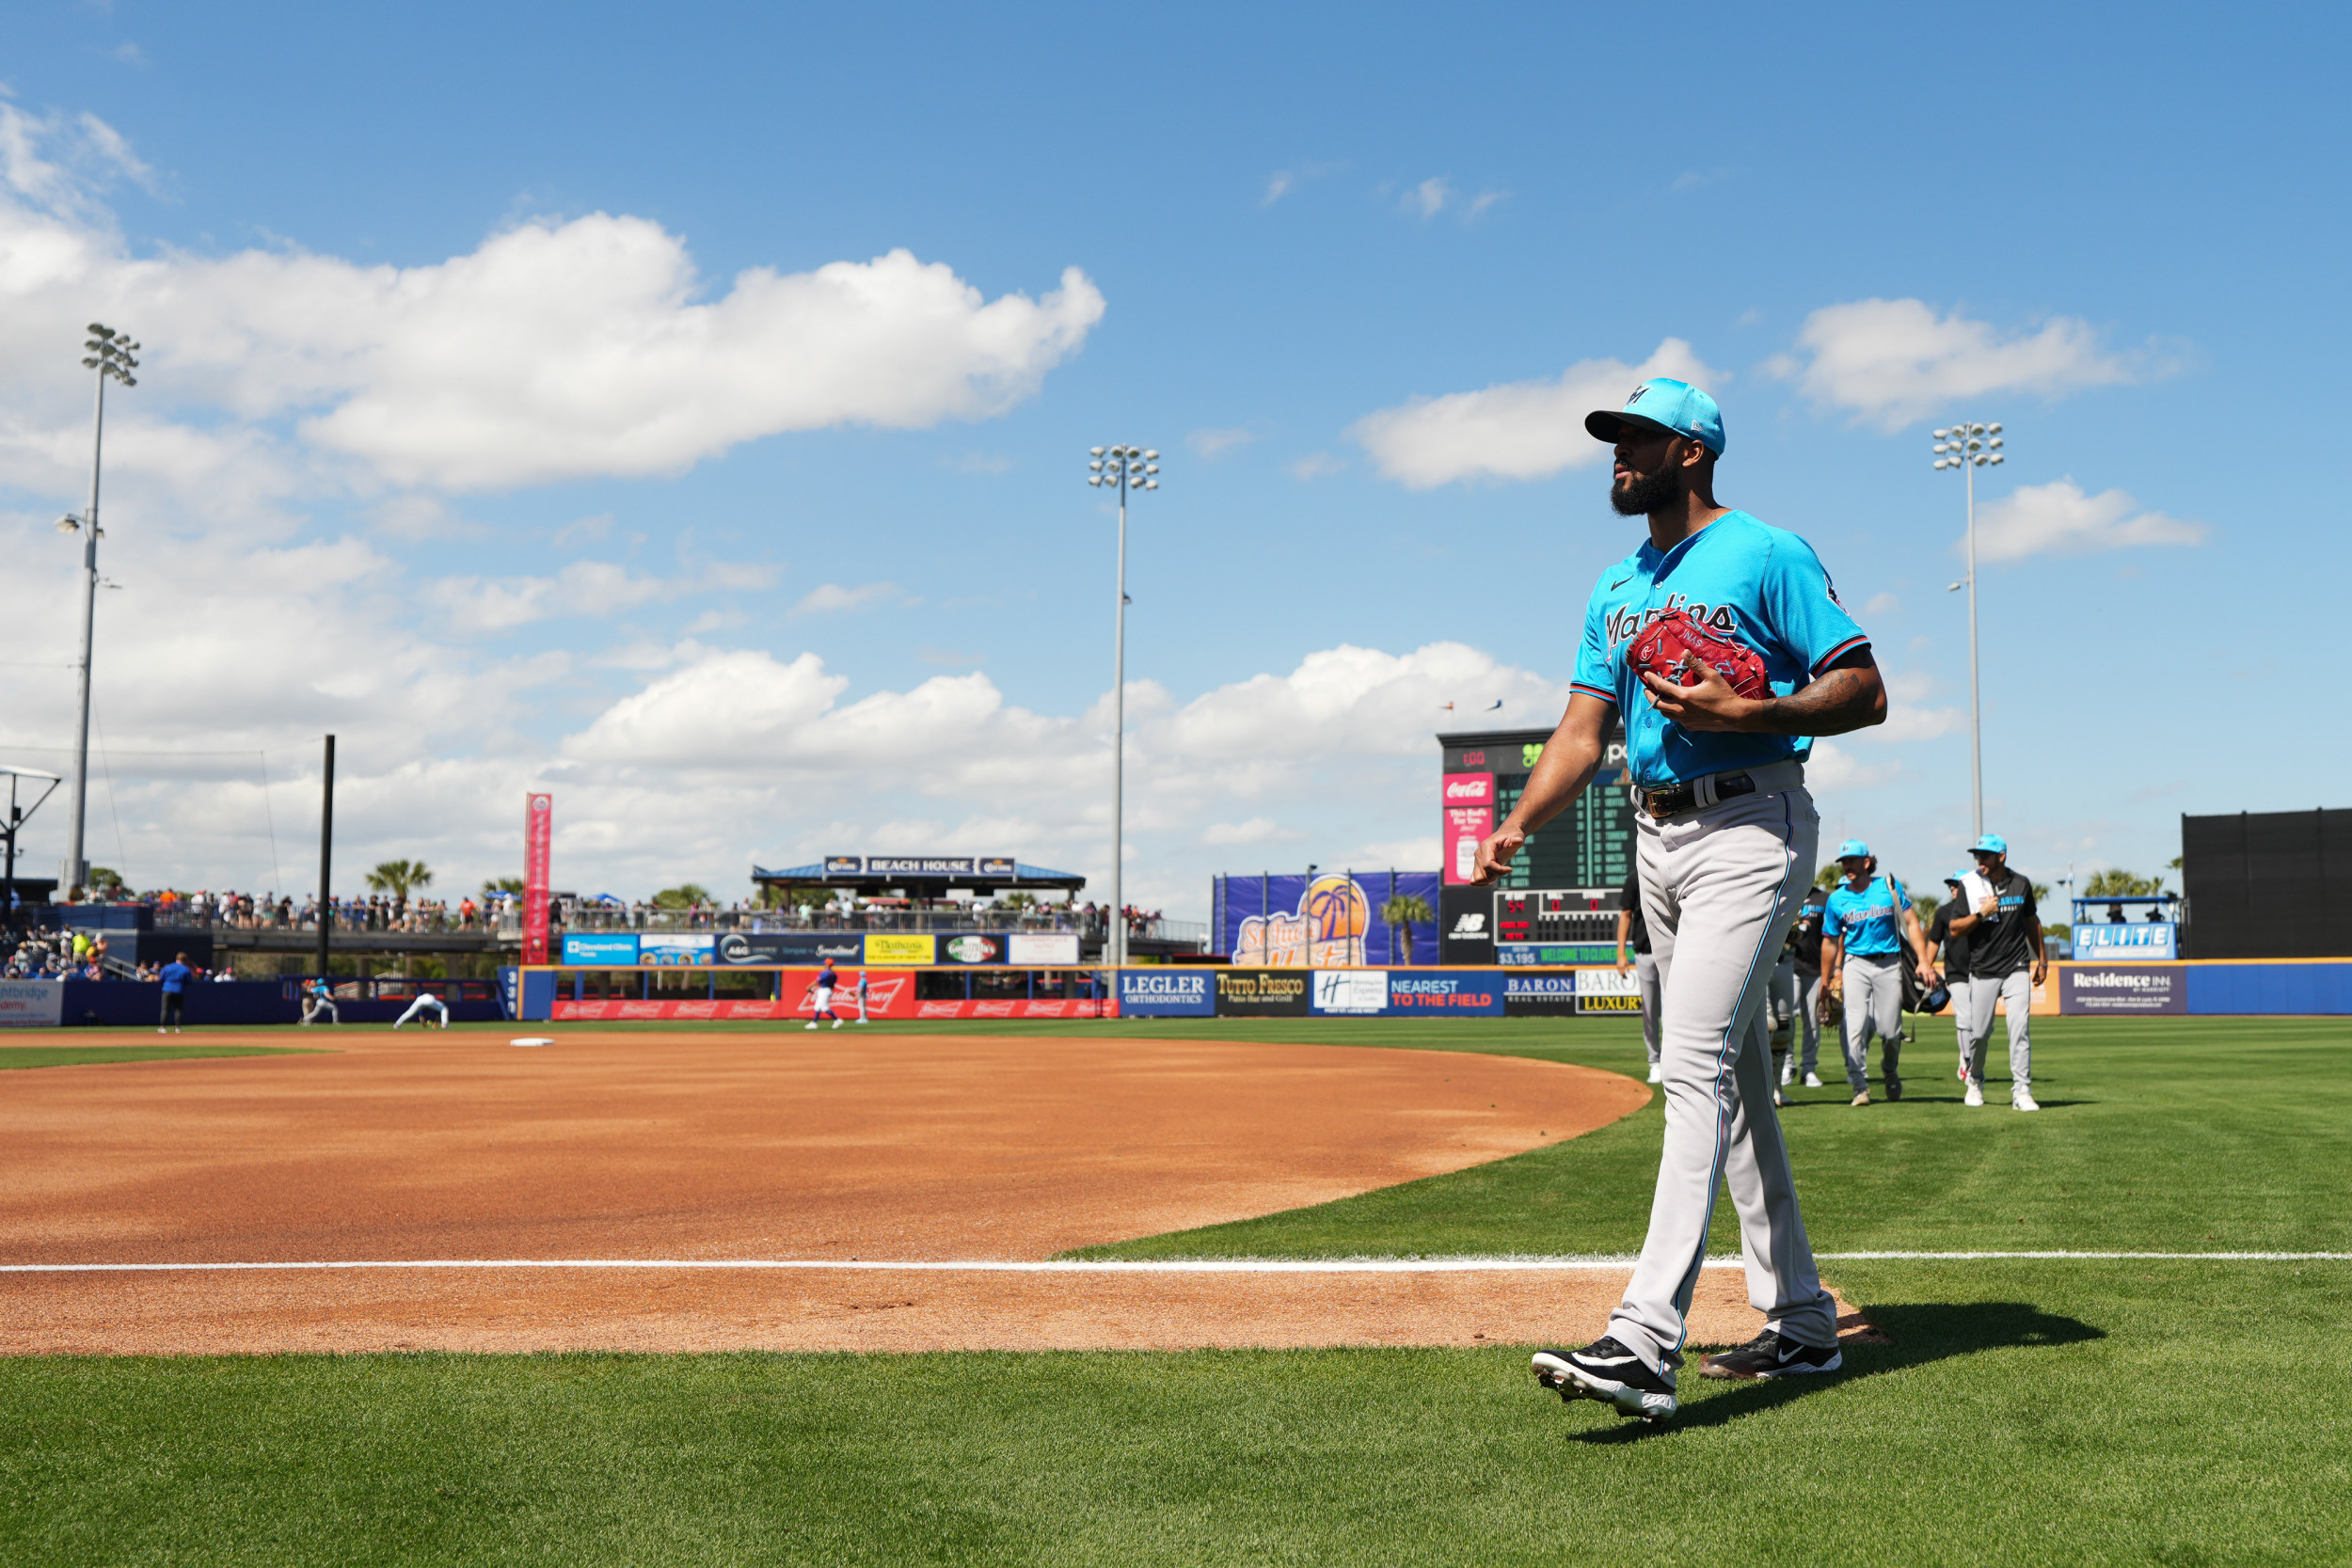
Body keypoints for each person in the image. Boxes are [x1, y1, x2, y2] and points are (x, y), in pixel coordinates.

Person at [1477, 378, 1887, 1424]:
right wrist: (1519, 822)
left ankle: (1641, 1338)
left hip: (1751, 824)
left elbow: (1862, 687)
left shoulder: (1764, 551)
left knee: (1689, 1065)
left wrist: (1753, 707)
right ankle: (1800, 1320)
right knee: (1738, 1082)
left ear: (1692, 451)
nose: (1615, 454)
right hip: (1657, 834)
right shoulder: (1615, 582)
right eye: (1611, 439)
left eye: (1635, 439)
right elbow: (1580, 729)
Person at [1820, 842, 1933, 1106]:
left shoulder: (1888, 887)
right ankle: (1859, 1086)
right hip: (1855, 964)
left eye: (1852, 860)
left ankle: (1890, 1069)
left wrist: (1924, 961)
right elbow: (1829, 942)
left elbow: (1912, 922)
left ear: (1867, 862)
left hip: (1889, 963)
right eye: (1843, 861)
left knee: (1890, 1031)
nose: (1847, 865)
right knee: (1854, 1027)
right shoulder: (1837, 899)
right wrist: (1825, 982)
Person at [1949, 833, 2046, 1111]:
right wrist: (1980, 914)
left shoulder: (2021, 883)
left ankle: (2022, 1090)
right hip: (1983, 969)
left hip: (2017, 965)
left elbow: (2031, 921)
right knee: (1979, 1033)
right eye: (1977, 855)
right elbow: (1955, 929)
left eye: (1985, 855)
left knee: (2019, 1028)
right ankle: (1975, 1081)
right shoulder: (1968, 885)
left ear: (2001, 857)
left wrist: (2042, 960)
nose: (1979, 860)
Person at [1923, 871, 1976, 1094]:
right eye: (1951, 885)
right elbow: (1934, 942)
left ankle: (1971, 1059)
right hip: (1955, 972)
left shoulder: (1978, 910)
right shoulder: (1944, 912)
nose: (1952, 888)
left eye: (1957, 885)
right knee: (1965, 1018)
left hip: (1981, 972)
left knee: (1981, 1024)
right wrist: (1926, 966)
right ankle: (1966, 1062)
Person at [1613, 869, 1662, 1084]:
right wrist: (1621, 953)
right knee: (1650, 1012)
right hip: (1645, 952)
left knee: (1675, 1014)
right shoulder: (1636, 877)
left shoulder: (1676, 870)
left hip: (1674, 952)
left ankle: (1674, 1063)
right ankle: (1655, 1062)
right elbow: (1626, 914)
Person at [1784, 883, 1831, 1088]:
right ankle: (1786, 1066)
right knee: (1786, 1019)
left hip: (1815, 967)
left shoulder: (1824, 898)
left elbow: (1833, 933)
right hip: (1789, 965)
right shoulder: (1787, 891)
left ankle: (1809, 1069)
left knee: (1812, 1021)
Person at [157, 951, 194, 1033]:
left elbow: (161, 979)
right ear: (185, 960)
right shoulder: (186, 969)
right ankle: (177, 1028)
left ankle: (163, 1028)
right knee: (178, 1009)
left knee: (165, 1009)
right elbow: (189, 981)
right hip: (179, 990)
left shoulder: (168, 967)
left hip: (167, 989)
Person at [807, 958, 843, 1030]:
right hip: (828, 990)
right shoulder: (834, 974)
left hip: (824, 990)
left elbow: (817, 981)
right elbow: (833, 985)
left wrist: (809, 987)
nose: (824, 964)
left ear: (827, 964)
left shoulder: (824, 973)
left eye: (825, 963)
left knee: (824, 1007)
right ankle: (814, 1023)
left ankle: (837, 1019)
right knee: (817, 1006)